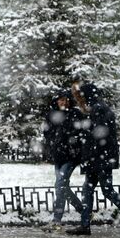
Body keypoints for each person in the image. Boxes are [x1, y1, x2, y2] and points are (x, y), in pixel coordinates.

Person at [66, 83, 120, 236]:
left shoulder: (98, 109)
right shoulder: (98, 107)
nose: (80, 98)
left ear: (88, 94)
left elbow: (98, 135)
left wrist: (84, 140)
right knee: (87, 190)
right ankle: (85, 225)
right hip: (98, 157)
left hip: (99, 157)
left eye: (82, 95)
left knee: (106, 190)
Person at [43, 89, 84, 230]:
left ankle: (56, 221)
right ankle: (84, 212)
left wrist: (74, 146)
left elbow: (80, 133)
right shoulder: (51, 115)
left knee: (60, 184)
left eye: (66, 99)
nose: (64, 102)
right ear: (56, 101)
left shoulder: (75, 114)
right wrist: (51, 147)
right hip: (58, 156)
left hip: (71, 157)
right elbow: (47, 133)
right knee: (61, 187)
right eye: (61, 99)